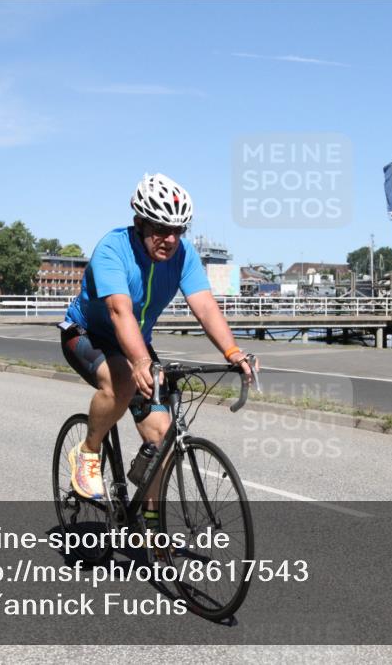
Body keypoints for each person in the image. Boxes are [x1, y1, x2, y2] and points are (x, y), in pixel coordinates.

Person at [59, 173, 256, 529]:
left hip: (134, 339)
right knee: (121, 379)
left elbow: (206, 307)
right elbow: (119, 311)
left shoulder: (184, 255)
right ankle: (88, 452)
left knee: (162, 438)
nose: (170, 239)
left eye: (178, 230)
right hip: (88, 334)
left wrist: (232, 352)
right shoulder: (112, 249)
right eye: (161, 229)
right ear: (140, 223)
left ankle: (151, 527)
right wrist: (141, 361)